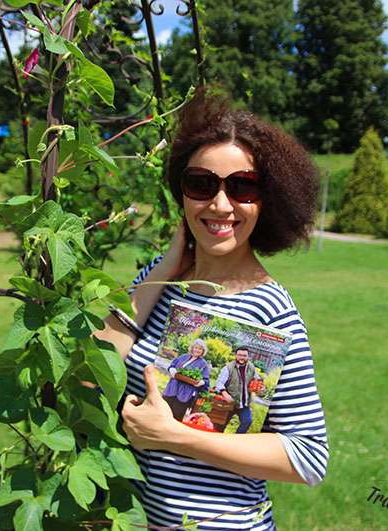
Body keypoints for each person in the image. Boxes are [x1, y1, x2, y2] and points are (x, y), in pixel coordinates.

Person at [95, 88, 329, 529]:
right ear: (182, 193)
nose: (220, 204)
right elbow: (91, 372)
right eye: (201, 184)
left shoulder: (271, 309)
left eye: (243, 187)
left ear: (267, 200)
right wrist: (164, 268)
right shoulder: (159, 279)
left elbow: (308, 457)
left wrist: (174, 437)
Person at [162, 338, 210, 421]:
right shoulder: (184, 356)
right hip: (172, 388)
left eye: (200, 349)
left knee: (176, 415)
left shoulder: (203, 363)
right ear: (192, 348)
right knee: (163, 411)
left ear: (203, 351)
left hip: (185, 393)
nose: (197, 350)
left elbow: (206, 380)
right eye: (196, 347)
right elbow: (172, 365)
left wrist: (200, 382)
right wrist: (172, 370)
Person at [215, 347, 258, 433]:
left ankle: (236, 439)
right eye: (239, 355)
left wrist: (259, 387)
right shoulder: (228, 368)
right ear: (235, 355)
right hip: (229, 402)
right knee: (220, 425)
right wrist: (225, 394)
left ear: (248, 357)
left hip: (243, 403)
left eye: (244, 355)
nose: (242, 357)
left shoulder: (251, 368)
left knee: (247, 421)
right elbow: (219, 383)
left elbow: (257, 380)